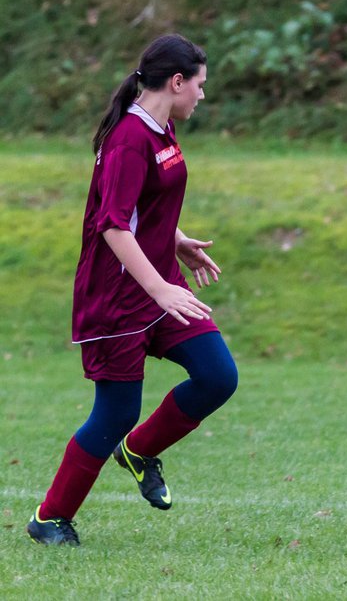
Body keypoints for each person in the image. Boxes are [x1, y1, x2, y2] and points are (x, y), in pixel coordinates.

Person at [28, 34, 238, 546]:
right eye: (200, 86)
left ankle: (139, 451)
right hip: (117, 298)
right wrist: (161, 290)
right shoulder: (128, 139)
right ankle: (50, 519)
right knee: (116, 411)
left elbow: (144, 204)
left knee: (217, 376)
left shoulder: (161, 128)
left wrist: (177, 239)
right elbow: (113, 226)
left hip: (156, 281)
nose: (202, 96)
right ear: (176, 81)